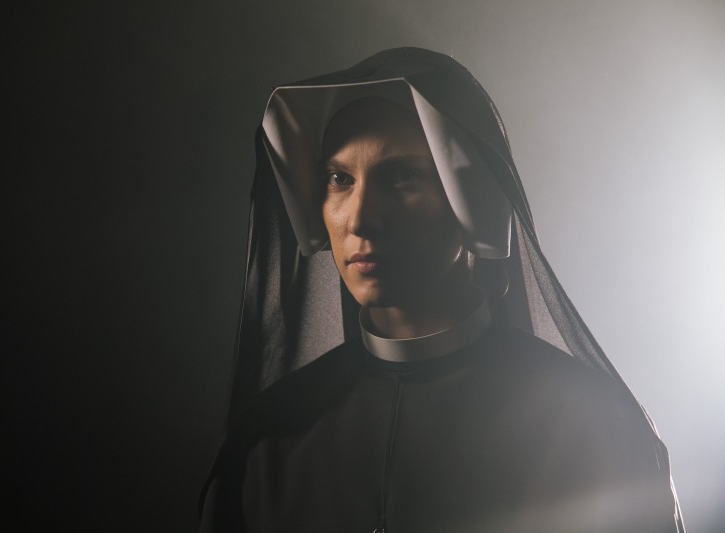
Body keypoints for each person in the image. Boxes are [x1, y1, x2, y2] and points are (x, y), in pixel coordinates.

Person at [199, 48, 684, 532]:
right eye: (339, 178)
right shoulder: (269, 441)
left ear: (471, 200)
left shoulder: (592, 426)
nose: (361, 219)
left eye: (402, 176)